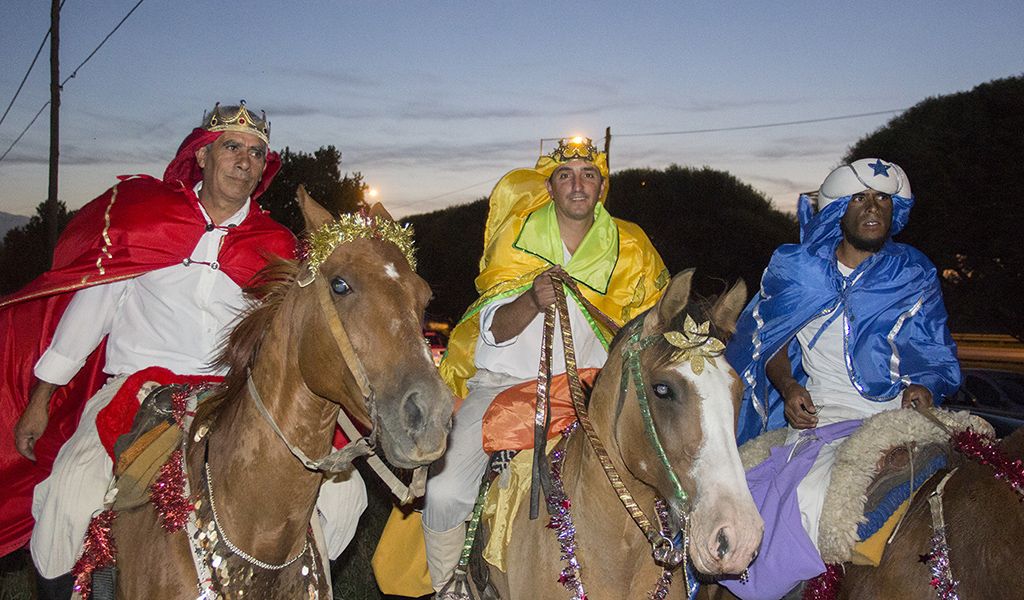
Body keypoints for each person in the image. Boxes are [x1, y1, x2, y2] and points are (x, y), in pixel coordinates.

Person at [0, 102, 363, 597]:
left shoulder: (275, 244)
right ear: (203, 157)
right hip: (137, 386)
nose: (244, 160)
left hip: (237, 396)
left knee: (348, 498)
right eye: (232, 147)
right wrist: (42, 398)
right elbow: (89, 316)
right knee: (66, 498)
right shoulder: (146, 220)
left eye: (256, 153)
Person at [421, 137, 669, 590]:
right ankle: (448, 588)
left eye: (588, 175)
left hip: (594, 394)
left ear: (601, 187)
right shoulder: (518, 235)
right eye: (565, 176)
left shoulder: (631, 247)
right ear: (550, 187)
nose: (578, 185)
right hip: (504, 386)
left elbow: (652, 330)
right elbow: (493, 330)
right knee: (443, 491)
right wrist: (532, 300)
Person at [722, 158, 962, 597]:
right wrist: (788, 386)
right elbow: (770, 340)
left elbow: (933, 351)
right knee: (809, 496)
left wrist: (925, 386)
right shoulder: (798, 269)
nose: (873, 208)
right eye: (859, 198)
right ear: (836, 210)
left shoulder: (915, 271)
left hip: (896, 412)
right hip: (826, 412)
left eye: (883, 200)